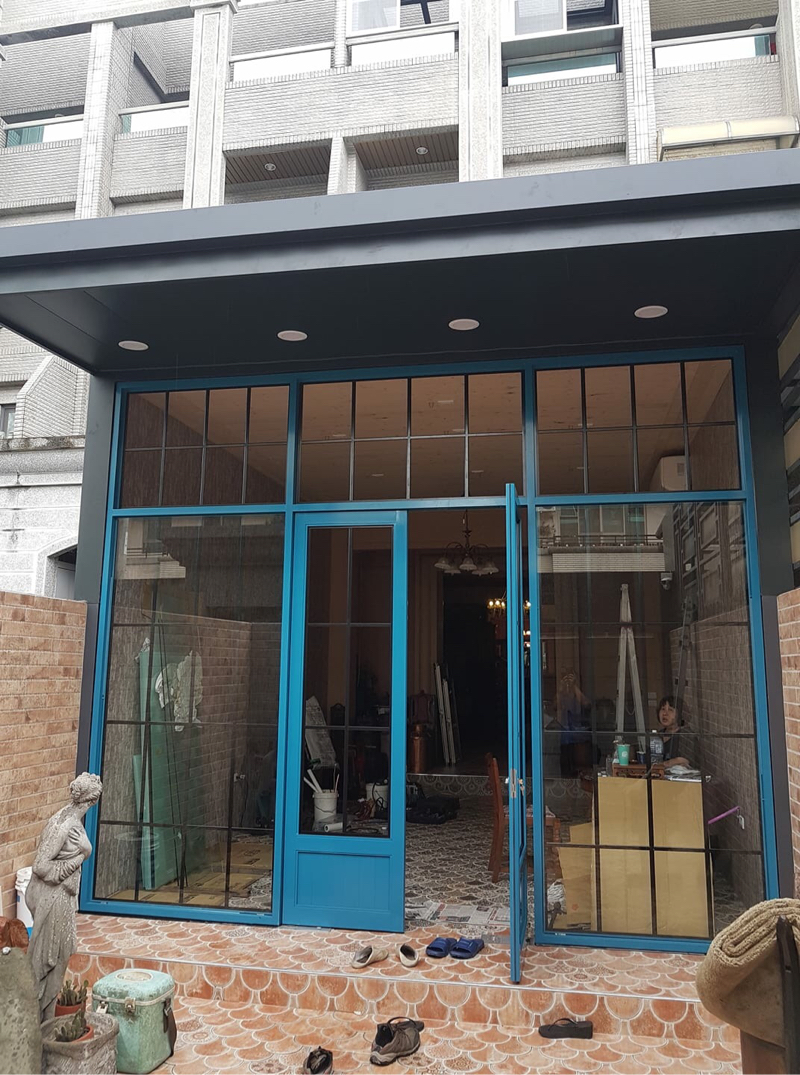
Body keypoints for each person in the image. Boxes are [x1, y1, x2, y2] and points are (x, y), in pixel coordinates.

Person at [27, 772, 103, 1020]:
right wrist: (83, 854)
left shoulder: (70, 819)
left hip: (63, 899)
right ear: (92, 801)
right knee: (53, 959)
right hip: (54, 900)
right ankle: (42, 1021)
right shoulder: (64, 825)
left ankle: (47, 1020)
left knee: (62, 954)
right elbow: (41, 866)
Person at [555, 669, 592, 775]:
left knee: (580, 765)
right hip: (565, 734)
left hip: (579, 736)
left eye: (570, 677)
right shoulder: (562, 693)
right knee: (565, 763)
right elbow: (554, 706)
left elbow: (587, 705)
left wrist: (574, 686)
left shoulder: (580, 692)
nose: (568, 680)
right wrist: (561, 688)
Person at [657, 695, 692, 768]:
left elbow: (684, 761)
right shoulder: (657, 736)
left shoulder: (686, 735)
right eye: (663, 709)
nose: (665, 713)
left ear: (680, 714)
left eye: (670, 710)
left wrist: (663, 764)